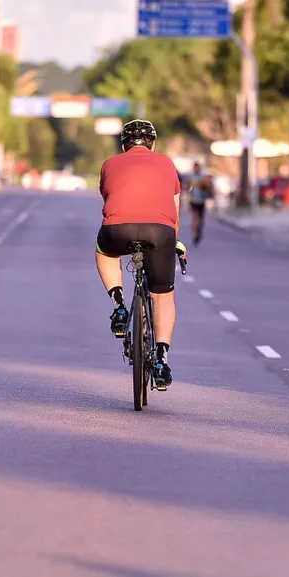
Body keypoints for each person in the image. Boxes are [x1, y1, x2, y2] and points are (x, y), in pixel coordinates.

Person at [96, 119, 186, 391]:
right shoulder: (167, 164)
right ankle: (161, 360)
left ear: (123, 146)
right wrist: (174, 244)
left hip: (117, 229)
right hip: (160, 232)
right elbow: (175, 215)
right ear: (153, 144)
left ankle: (119, 305)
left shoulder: (110, 164)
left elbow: (111, 199)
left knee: (105, 251)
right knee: (162, 296)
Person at [188, 162, 214, 245]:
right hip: (193, 201)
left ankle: (198, 230)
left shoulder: (203, 178)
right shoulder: (191, 177)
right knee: (195, 217)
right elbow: (187, 187)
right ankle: (195, 234)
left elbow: (209, 187)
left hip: (201, 201)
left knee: (200, 219)